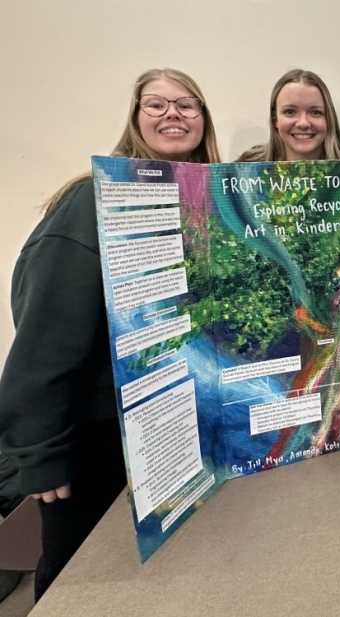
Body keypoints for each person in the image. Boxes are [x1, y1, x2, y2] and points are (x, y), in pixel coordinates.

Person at [0, 68, 220, 601]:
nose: (173, 114)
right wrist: (39, 451)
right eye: (157, 104)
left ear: (203, 120)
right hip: (95, 436)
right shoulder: (90, 201)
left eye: (187, 105)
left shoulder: (204, 203)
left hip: (172, 421)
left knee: (157, 573)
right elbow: (42, 335)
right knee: (80, 579)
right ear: (135, 117)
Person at [237, 69, 340, 162]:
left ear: (329, 119)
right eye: (290, 112)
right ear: (274, 120)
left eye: (315, 112)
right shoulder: (244, 171)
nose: (303, 123)